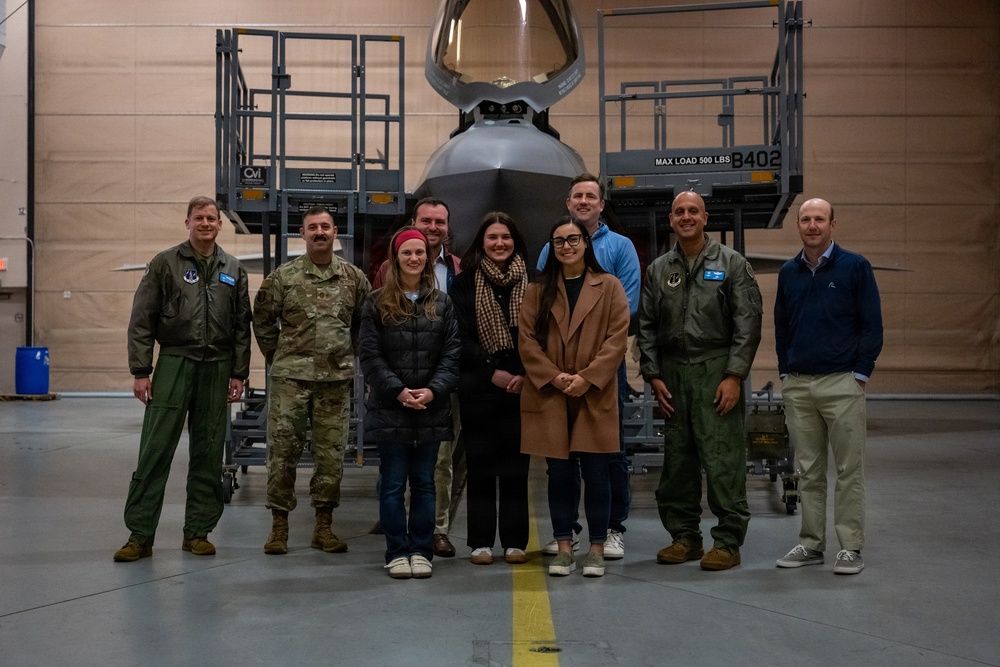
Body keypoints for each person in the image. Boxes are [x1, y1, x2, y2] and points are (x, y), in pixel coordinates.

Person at [114, 195, 251, 562]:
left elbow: (242, 327)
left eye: (211, 218)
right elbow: (142, 319)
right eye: (199, 218)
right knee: (155, 450)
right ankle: (139, 535)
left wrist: (239, 372)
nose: (206, 223)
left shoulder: (234, 269)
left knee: (207, 451)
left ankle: (198, 532)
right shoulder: (164, 264)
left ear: (220, 225)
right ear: (187, 222)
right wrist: (141, 371)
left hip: (217, 366)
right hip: (174, 361)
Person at [637, 191, 762, 571]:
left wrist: (734, 375)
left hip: (715, 369)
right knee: (678, 459)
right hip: (673, 373)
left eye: (693, 211)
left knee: (722, 457)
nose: (686, 217)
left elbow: (748, 324)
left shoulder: (731, 264)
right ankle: (685, 537)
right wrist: (653, 375)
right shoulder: (660, 269)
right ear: (671, 220)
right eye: (679, 212)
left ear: (705, 217)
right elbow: (645, 325)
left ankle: (727, 541)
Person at [252, 206, 371, 555]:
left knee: (331, 456)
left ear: (336, 233)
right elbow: (262, 321)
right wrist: (280, 356)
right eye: (312, 228)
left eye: (325, 227)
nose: (319, 232)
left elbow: (365, 325)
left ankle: (323, 526)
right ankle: (279, 528)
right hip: (291, 381)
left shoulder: (353, 278)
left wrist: (349, 355)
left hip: (335, 383)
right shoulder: (282, 278)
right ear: (301, 234)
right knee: (283, 453)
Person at [774, 198, 883, 575]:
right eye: (806, 219)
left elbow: (872, 325)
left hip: (842, 384)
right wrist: (786, 372)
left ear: (832, 224)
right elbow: (782, 325)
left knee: (850, 469)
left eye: (820, 219)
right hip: (800, 387)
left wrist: (860, 373)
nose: (812, 225)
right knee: (809, 471)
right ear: (799, 226)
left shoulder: (855, 267)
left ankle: (850, 547)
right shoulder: (789, 272)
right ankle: (810, 544)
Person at [536, 173, 640, 559]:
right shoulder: (552, 248)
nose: (583, 201)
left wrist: (591, 368)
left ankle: (613, 528)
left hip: (603, 370)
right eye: (577, 195)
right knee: (561, 455)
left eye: (590, 196)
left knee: (609, 455)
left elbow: (626, 310)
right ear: (568, 203)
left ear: (600, 203)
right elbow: (544, 307)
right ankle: (570, 532)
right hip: (560, 374)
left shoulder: (621, 247)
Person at [519, 217, 630, 578]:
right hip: (552, 392)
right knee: (560, 474)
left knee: (598, 473)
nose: (566, 246)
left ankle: (597, 548)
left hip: (594, 392)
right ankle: (564, 548)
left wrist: (588, 377)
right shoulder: (538, 291)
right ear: (551, 248)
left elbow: (617, 339)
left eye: (573, 239)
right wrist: (555, 376)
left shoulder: (609, 286)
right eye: (559, 241)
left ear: (586, 243)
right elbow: (527, 341)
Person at [359, 227, 460, 579]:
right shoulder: (375, 303)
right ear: (396, 258)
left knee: (425, 483)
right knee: (392, 484)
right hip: (392, 408)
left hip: (431, 408)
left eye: (420, 253)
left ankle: (421, 549)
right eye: (407, 253)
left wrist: (433, 391)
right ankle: (396, 551)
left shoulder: (442, 303)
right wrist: (398, 391)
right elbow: (370, 356)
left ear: (427, 258)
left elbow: (451, 354)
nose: (415, 258)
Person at [450, 212, 531, 566]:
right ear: (481, 242)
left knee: (517, 468)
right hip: (479, 386)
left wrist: (527, 373)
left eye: (506, 237)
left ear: (516, 241)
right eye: (492, 237)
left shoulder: (533, 283)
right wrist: (491, 371)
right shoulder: (464, 284)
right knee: (480, 467)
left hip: (522, 387)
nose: (500, 243)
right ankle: (481, 542)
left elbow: (541, 335)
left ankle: (515, 541)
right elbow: (460, 337)